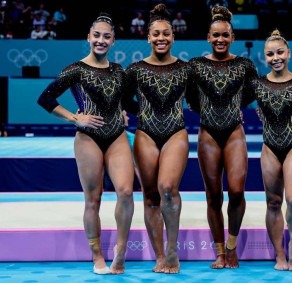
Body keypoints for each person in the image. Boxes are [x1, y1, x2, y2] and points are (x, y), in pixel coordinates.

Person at [37, 12, 135, 275]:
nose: (101, 40)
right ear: (88, 38)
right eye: (97, 36)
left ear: (113, 41)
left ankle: (120, 252)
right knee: (94, 198)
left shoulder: (119, 71)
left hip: (116, 136)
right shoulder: (76, 70)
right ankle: (97, 256)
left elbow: (129, 104)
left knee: (125, 192)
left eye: (106, 36)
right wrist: (74, 118)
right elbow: (46, 99)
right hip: (88, 138)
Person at [186, 5, 258, 269]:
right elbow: (191, 100)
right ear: (208, 37)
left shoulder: (244, 65)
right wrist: (208, 110)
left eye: (225, 35)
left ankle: (231, 246)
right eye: (215, 35)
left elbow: (251, 94)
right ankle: (219, 252)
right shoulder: (196, 66)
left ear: (232, 38)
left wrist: (235, 104)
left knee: (237, 191)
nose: (220, 40)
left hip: (234, 133)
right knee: (213, 196)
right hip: (207, 133)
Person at [124, 3, 190, 274]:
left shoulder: (187, 69)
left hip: (175, 131)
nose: (161, 38)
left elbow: (204, 99)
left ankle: (172, 249)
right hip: (145, 133)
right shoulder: (135, 69)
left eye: (166, 34)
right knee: (150, 196)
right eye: (156, 34)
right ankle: (159, 255)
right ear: (148, 38)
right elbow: (123, 99)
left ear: (173, 37)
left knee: (167, 188)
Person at [253, 29, 292, 272]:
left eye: (279, 52)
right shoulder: (257, 84)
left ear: (288, 53)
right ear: (264, 57)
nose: (275, 57)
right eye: (270, 54)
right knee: (273, 202)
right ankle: (279, 254)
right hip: (269, 147)